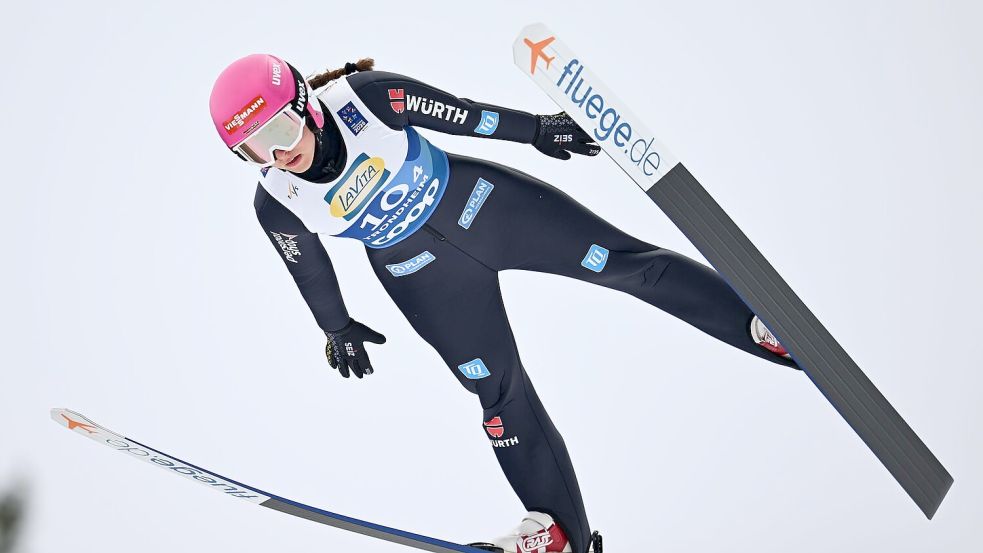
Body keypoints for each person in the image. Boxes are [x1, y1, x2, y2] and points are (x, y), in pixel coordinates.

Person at [209, 54, 797, 553]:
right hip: (422, 274)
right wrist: (335, 327)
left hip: (487, 208)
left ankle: (755, 326)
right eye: (255, 151)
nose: (278, 157)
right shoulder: (276, 202)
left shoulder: (364, 99)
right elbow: (306, 265)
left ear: (306, 105)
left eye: (280, 136)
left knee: (626, 267)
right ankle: (557, 531)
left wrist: (538, 129)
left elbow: (467, 115)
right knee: (496, 391)